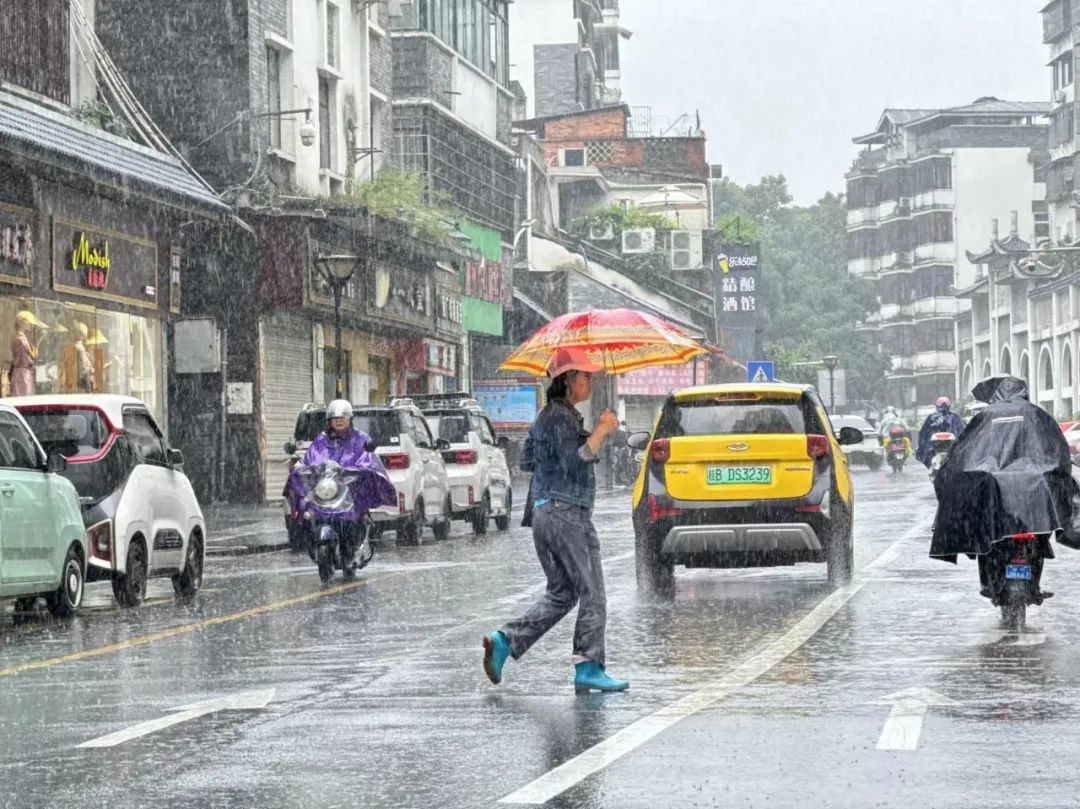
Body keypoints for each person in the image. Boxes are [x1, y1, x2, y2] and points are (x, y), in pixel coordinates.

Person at [482, 347, 628, 694]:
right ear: (569, 381)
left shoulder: (545, 418)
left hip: (543, 513)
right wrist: (602, 431)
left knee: (562, 593)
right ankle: (589, 665)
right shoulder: (560, 418)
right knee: (592, 590)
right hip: (567, 514)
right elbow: (576, 461)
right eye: (586, 376)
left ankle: (506, 640)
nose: (590, 382)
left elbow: (531, 461)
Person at [295, 400, 395, 561]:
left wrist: (360, 470)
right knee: (306, 511)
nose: (339, 421)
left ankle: (358, 538)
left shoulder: (361, 439)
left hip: (350, 488)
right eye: (335, 418)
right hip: (327, 487)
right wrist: (301, 467)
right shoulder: (320, 441)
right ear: (329, 421)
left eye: (343, 417)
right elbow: (310, 459)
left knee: (356, 509)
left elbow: (367, 458)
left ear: (350, 419)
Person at [916, 396, 965, 467]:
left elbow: (924, 433)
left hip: (938, 449)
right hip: (948, 448)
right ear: (949, 406)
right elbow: (961, 430)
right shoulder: (954, 416)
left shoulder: (932, 417)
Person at [9, 310, 40, 397]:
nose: (30, 325)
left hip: (18, 372)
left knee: (18, 397)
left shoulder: (16, 337)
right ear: (23, 323)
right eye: (29, 323)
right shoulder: (22, 339)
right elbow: (34, 356)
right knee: (25, 398)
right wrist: (39, 341)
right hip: (24, 374)